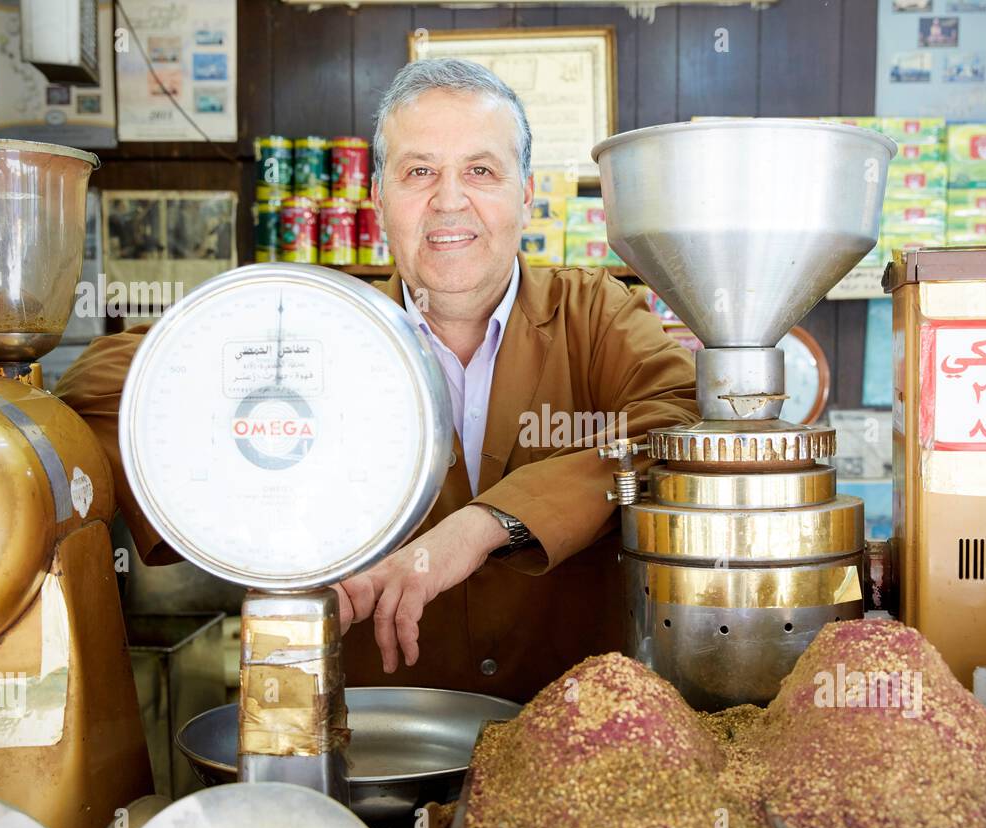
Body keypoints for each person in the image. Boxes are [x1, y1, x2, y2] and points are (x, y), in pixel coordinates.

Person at [55, 58, 698, 702]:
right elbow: (96, 388)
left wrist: (480, 528)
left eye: (481, 170)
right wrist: (257, 495)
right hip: (377, 743)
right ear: (379, 199)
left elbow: (681, 423)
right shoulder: (326, 326)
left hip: (575, 738)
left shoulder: (596, 313)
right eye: (419, 172)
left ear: (525, 194)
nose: (450, 200)